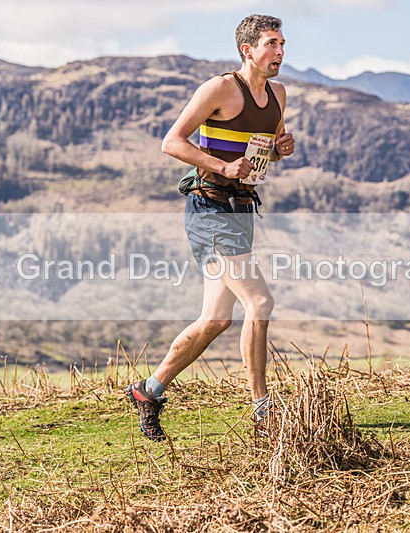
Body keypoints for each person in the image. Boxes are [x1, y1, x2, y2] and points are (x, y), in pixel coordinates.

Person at [126, 14, 296, 441]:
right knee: (259, 304)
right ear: (248, 50)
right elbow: (172, 142)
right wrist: (221, 165)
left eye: (282, 44)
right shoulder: (220, 89)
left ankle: (149, 391)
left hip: (240, 211)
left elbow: (262, 154)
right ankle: (263, 411)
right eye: (272, 44)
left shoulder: (278, 94)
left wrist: (279, 151)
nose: (279, 52)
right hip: (208, 211)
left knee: (215, 321)